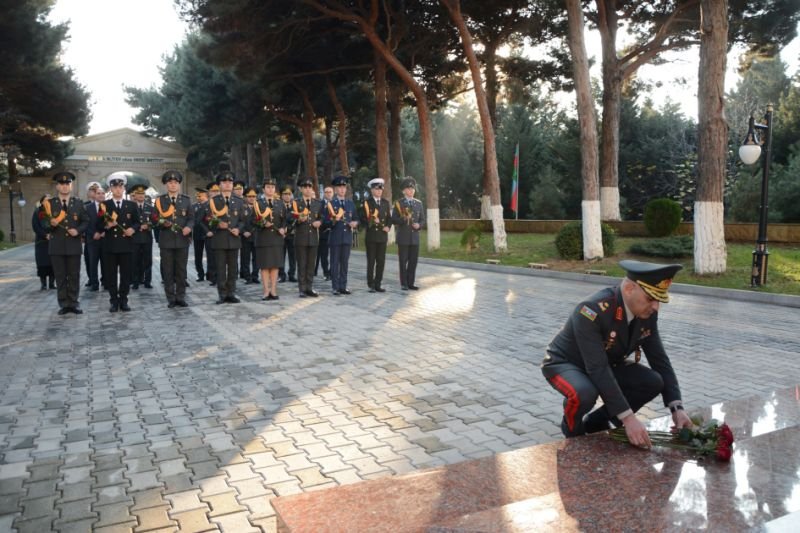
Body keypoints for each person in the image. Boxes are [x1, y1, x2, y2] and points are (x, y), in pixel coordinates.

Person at [541, 260, 693, 449]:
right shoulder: (591, 310)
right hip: (567, 363)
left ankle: (596, 422)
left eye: (659, 300)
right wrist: (629, 419)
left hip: (605, 363)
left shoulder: (647, 314)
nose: (655, 307)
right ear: (629, 289)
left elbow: (659, 360)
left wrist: (677, 408)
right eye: (650, 299)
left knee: (653, 381)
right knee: (584, 393)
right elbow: (597, 368)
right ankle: (573, 431)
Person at [41, 172, 89, 315]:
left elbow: (86, 221)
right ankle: (63, 304)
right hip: (57, 246)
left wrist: (78, 230)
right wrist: (51, 224)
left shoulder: (78, 203)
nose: (64, 186)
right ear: (57, 186)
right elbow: (44, 223)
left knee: (74, 275)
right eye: (61, 184)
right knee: (60, 276)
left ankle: (73, 303)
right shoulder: (49, 204)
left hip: (74, 246)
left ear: (71, 186)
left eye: (67, 184)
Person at [200, 171, 246, 304]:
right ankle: (222, 294)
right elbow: (204, 220)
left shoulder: (239, 201)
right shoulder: (213, 201)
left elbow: (243, 220)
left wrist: (238, 229)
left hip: (234, 239)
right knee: (220, 268)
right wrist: (216, 225)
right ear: (219, 185)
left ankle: (231, 293)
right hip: (219, 239)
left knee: (233, 269)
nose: (227, 184)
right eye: (224, 182)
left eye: (230, 182)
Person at [96, 172, 140, 312]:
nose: (118, 190)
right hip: (110, 246)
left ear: (124, 189)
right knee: (111, 275)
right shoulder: (104, 205)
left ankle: (124, 300)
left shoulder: (131, 205)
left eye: (120, 187)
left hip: (127, 245)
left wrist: (132, 229)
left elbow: (137, 222)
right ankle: (114, 301)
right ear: (110, 189)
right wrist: (107, 226)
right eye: (115, 187)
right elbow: (98, 225)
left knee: (126, 275)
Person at [153, 170, 194, 308]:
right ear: (166, 184)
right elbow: (154, 218)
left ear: (179, 184)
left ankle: (180, 297)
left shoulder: (186, 200)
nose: (173, 185)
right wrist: (161, 223)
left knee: (181, 270)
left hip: (182, 240)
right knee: (168, 271)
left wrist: (189, 227)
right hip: (166, 240)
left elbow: (191, 218)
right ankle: (170, 298)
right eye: (170, 182)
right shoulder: (160, 201)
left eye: (175, 182)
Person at [252, 177, 286, 300]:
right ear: (263, 189)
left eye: (272, 187)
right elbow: (252, 220)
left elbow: (285, 219)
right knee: (265, 266)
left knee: (275, 266)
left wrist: (283, 228)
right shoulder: (258, 203)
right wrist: (262, 224)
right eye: (268, 187)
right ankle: (266, 291)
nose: (270, 189)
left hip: (277, 238)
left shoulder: (280, 203)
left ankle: (274, 290)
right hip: (263, 239)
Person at [392, 177, 425, 291]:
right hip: (403, 238)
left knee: (413, 262)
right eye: (409, 189)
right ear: (404, 191)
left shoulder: (418, 203)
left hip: (414, 238)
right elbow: (394, 219)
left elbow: (422, 220)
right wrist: (403, 219)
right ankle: (404, 283)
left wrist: (419, 225)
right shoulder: (399, 203)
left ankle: (411, 283)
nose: (411, 191)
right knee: (403, 261)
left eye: (413, 189)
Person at [292, 177, 323, 297]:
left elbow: (322, 217)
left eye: (310, 187)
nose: (308, 189)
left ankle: (309, 287)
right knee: (302, 264)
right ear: (301, 189)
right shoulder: (296, 203)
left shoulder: (318, 203)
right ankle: (302, 288)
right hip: (301, 238)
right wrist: (299, 220)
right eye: (305, 187)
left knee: (311, 265)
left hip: (313, 238)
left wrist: (319, 222)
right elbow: (290, 219)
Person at [360, 177, 392, 293]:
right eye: (377, 189)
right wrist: (372, 221)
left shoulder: (385, 203)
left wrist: (388, 226)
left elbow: (389, 218)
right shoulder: (367, 203)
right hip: (372, 237)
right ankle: (371, 284)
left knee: (381, 261)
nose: (379, 191)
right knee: (371, 261)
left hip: (382, 236)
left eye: (380, 189)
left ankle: (378, 283)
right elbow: (363, 219)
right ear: (372, 190)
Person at [328, 175, 358, 295]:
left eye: (343, 187)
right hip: (335, 238)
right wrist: (333, 221)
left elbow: (356, 218)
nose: (342, 189)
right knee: (335, 263)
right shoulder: (331, 204)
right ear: (335, 189)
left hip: (347, 238)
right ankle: (335, 287)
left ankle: (343, 286)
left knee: (344, 263)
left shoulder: (350, 203)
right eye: (339, 187)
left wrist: (355, 223)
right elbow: (326, 221)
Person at [129, 184, 154, 290]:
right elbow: (127, 222)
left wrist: (148, 225)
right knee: (135, 261)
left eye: (142, 194)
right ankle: (135, 282)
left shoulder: (150, 208)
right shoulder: (130, 207)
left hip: (147, 238)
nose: (140, 196)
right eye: (138, 194)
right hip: (134, 238)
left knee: (147, 261)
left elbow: (155, 221)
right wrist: (137, 227)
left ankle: (147, 281)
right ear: (135, 195)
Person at [83, 186, 105, 291]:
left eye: (102, 193)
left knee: (106, 263)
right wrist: (93, 233)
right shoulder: (87, 208)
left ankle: (105, 282)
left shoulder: (108, 206)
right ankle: (94, 283)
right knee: (93, 263)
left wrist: (104, 232)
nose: (101, 195)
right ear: (94, 195)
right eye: (98, 193)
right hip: (92, 240)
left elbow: (112, 222)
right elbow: (85, 223)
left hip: (105, 239)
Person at [32, 194, 55, 290]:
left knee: (53, 263)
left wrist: (52, 234)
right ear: (41, 202)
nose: (48, 202)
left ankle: (52, 284)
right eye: (46, 200)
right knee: (42, 263)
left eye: (50, 200)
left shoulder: (55, 211)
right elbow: (35, 226)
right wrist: (45, 235)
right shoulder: (37, 212)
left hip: (53, 241)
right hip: (41, 242)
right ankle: (43, 284)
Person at [82, 181, 100, 286]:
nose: (94, 192)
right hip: (89, 238)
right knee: (89, 260)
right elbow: (83, 222)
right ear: (88, 193)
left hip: (103, 238)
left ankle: (104, 280)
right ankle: (91, 279)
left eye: (96, 190)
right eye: (92, 190)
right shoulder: (85, 206)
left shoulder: (105, 204)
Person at [240, 186, 258, 284]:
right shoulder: (241, 207)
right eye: (249, 196)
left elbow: (261, 221)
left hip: (256, 236)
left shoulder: (259, 207)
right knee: (245, 258)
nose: (251, 198)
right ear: (245, 197)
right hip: (245, 237)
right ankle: (247, 277)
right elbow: (238, 221)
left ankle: (255, 276)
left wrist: (251, 231)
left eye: (253, 196)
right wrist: (243, 232)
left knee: (257, 258)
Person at [279, 184, 297, 283]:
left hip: (292, 234)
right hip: (280, 234)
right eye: (285, 194)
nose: (287, 196)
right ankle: (281, 275)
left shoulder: (295, 206)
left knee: (292, 256)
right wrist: (281, 228)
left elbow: (297, 219)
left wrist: (289, 228)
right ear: (281, 195)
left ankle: (292, 274)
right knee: (280, 256)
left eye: (289, 194)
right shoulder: (277, 205)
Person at [315, 185, 334, 281]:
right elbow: (318, 217)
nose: (328, 194)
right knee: (324, 255)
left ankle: (332, 272)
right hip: (323, 232)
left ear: (333, 193)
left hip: (334, 232)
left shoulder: (336, 203)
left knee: (334, 254)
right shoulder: (319, 204)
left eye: (330, 192)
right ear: (323, 193)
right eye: (326, 192)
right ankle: (326, 273)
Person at [192, 187, 209, 282]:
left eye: (201, 195)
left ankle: (210, 274)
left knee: (210, 256)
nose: (199, 197)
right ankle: (200, 274)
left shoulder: (210, 205)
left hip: (208, 234)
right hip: (197, 234)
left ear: (206, 195)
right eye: (198, 196)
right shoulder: (194, 206)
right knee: (198, 256)